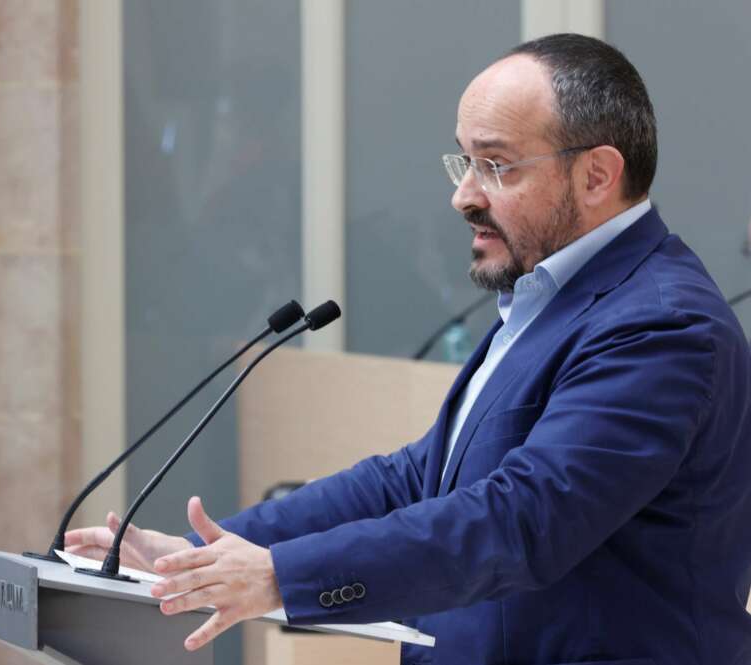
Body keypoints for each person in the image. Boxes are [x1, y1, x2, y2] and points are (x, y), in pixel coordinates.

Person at [66, 34, 751, 664]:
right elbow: (417, 478)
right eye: (465, 161)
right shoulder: (553, 297)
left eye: (496, 166)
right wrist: (198, 556)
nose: (463, 195)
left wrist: (281, 578)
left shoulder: (661, 326)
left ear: (597, 176)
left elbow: (520, 521)